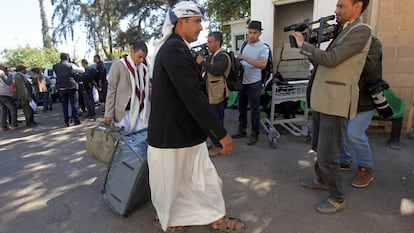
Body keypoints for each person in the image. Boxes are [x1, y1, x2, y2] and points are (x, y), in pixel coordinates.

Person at [148, 1, 247, 232]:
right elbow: (192, 95)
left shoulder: (178, 48)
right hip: (170, 135)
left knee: (205, 179)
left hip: (187, 133)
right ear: (181, 22)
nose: (201, 27)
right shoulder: (173, 49)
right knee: (170, 184)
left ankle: (217, 218)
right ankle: (169, 219)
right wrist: (220, 133)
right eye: (197, 21)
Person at [292, 0, 372, 214]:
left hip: (335, 102)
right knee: (319, 145)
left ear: (358, 6)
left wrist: (304, 46)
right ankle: (322, 180)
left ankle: (338, 198)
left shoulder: (362, 30)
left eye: (341, 6)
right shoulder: (344, 29)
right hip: (324, 98)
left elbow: (332, 59)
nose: (336, 10)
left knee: (329, 154)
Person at [340, 35, 382, 188]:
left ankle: (366, 169)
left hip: (366, 100)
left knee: (354, 132)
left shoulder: (372, 42)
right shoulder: (344, 41)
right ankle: (344, 160)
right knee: (337, 129)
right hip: (346, 99)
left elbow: (367, 66)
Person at [233, 20, 269, 146]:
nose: (252, 35)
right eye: (250, 32)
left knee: (254, 110)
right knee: (241, 108)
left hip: (254, 83)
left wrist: (245, 58)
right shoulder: (244, 45)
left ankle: (255, 134)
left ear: (260, 33)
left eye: (254, 33)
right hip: (242, 82)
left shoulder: (263, 48)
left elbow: (263, 65)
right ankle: (241, 130)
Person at [104, 41, 150, 133]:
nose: (141, 60)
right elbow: (111, 90)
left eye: (144, 58)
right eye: (139, 57)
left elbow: (148, 89)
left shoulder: (144, 69)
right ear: (132, 51)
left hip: (140, 113)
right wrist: (108, 113)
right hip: (122, 114)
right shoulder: (118, 65)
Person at [196, 31, 230, 156]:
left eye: (210, 42)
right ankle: (215, 141)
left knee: (216, 121)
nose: (207, 44)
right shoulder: (213, 56)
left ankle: (219, 145)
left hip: (217, 96)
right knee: (211, 120)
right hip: (210, 95)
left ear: (217, 42)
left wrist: (202, 62)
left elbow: (216, 70)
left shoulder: (223, 56)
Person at [53, 53, 81, 127]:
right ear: (67, 57)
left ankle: (66, 122)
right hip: (71, 86)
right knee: (74, 104)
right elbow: (82, 70)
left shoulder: (55, 66)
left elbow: (55, 76)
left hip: (61, 87)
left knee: (64, 105)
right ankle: (76, 120)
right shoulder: (70, 65)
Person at [0, 63, 18, 130]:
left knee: (3, 110)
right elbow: (8, 82)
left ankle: (3, 125)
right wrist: (10, 74)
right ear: (3, 67)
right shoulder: (1, 72)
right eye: (6, 68)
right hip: (4, 93)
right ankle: (14, 124)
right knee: (13, 108)